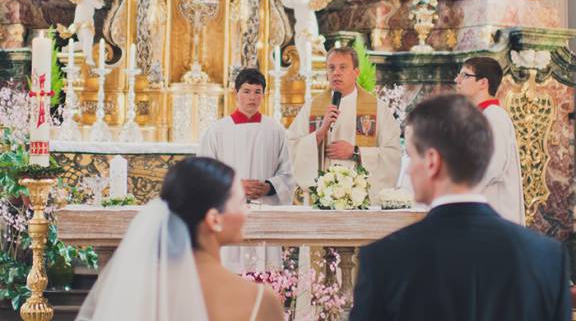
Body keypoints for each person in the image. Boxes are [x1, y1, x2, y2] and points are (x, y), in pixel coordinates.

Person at [350, 94, 571, 321]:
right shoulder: (547, 258)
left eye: (412, 156)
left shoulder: (385, 259)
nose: (407, 170)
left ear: (432, 162)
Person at [76, 157, 284, 321]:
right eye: (241, 202)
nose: (247, 210)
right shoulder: (259, 299)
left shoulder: (136, 290)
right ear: (214, 219)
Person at [200, 68, 294, 272]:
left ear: (264, 95)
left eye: (257, 91)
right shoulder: (218, 131)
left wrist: (269, 187)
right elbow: (203, 174)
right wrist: (234, 187)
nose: (252, 97)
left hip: (265, 211)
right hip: (229, 213)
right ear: (236, 94)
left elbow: (287, 173)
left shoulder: (275, 130)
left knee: (265, 272)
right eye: (246, 91)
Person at [287, 46, 401, 203]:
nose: (336, 73)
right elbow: (292, 147)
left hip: (361, 201)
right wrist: (320, 133)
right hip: (322, 200)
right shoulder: (312, 107)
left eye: (343, 67)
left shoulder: (378, 109)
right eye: (331, 68)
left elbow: (392, 154)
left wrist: (355, 152)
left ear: (356, 72)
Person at [456, 56, 525, 224]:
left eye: (465, 75)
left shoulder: (494, 117)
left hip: (495, 212)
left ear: (482, 83)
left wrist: (456, 193)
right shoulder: (480, 117)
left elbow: (492, 167)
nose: (457, 80)